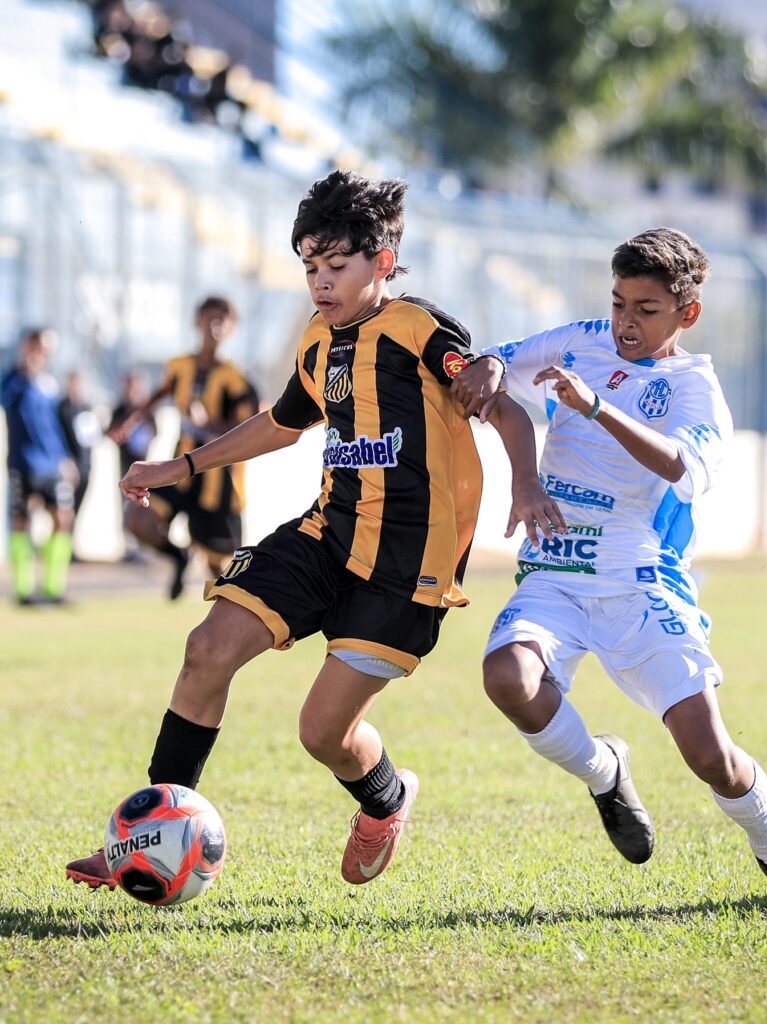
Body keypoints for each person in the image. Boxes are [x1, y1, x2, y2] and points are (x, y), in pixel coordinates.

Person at [66, 169, 552, 891]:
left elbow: (499, 403)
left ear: (382, 262)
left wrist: (526, 480)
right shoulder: (318, 339)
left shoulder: (419, 330)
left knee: (322, 732)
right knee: (206, 650)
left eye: (336, 266)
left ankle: (386, 798)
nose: (320, 282)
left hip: (406, 567)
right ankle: (147, 837)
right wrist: (180, 465)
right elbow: (283, 423)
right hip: (326, 535)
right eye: (309, 266)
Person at [450, 227, 767, 917]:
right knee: (506, 677)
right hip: (556, 570)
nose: (625, 321)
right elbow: (494, 367)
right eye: (618, 302)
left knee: (710, 756)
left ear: (687, 313)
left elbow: (682, 467)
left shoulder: (694, 387)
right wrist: (503, 411)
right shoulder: (581, 339)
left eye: (645, 309)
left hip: (639, 579)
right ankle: (604, 770)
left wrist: (595, 407)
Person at [109, 296, 258, 599]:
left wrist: (209, 424)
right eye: (209, 318)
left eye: (222, 320)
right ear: (197, 322)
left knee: (221, 571)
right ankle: (179, 558)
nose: (214, 326)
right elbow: (160, 393)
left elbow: (254, 428)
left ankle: (231, 619)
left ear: (232, 328)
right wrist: (131, 421)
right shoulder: (180, 367)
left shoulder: (237, 380)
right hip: (181, 470)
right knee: (137, 520)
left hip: (218, 483)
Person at [1, 328, 76, 605]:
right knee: (21, 520)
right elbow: (7, 400)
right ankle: (23, 590)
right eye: (40, 347)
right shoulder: (13, 379)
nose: (43, 354)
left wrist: (65, 457)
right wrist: (22, 373)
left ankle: (53, 588)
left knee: (63, 518)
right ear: (28, 346)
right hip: (23, 464)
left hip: (52, 464)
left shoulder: (49, 383)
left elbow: (52, 427)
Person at [108, 370, 157, 563]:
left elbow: (154, 432)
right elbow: (111, 433)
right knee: (127, 504)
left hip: (145, 468)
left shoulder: (146, 410)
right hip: (126, 468)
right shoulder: (120, 410)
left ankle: (141, 547)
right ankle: (129, 547)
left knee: (142, 506)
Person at [58, 370, 102, 526]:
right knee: (64, 511)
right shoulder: (62, 408)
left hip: (85, 467)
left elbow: (91, 438)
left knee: (76, 510)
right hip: (69, 466)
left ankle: (71, 538)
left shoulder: (86, 407)